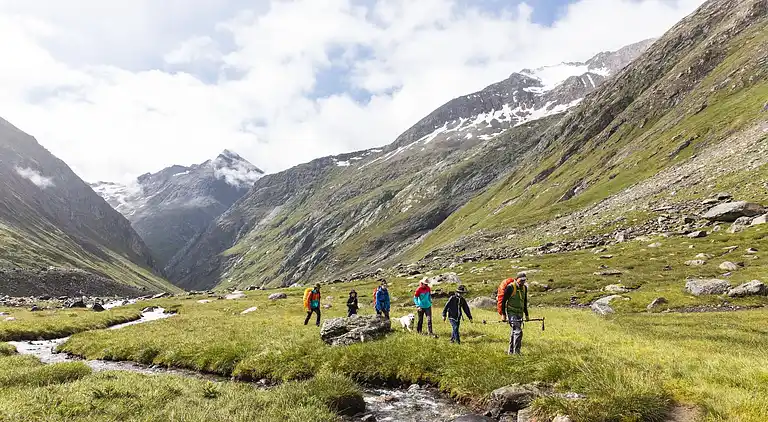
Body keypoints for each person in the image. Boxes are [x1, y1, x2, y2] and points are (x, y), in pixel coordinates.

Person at [501, 272, 529, 355]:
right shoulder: (510, 287)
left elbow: (524, 301)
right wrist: (503, 315)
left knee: (514, 332)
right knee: (518, 331)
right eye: (521, 280)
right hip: (511, 312)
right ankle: (517, 353)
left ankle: (510, 352)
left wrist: (526, 314)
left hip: (520, 313)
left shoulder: (524, 288)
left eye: (524, 280)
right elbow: (503, 301)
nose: (522, 282)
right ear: (517, 279)